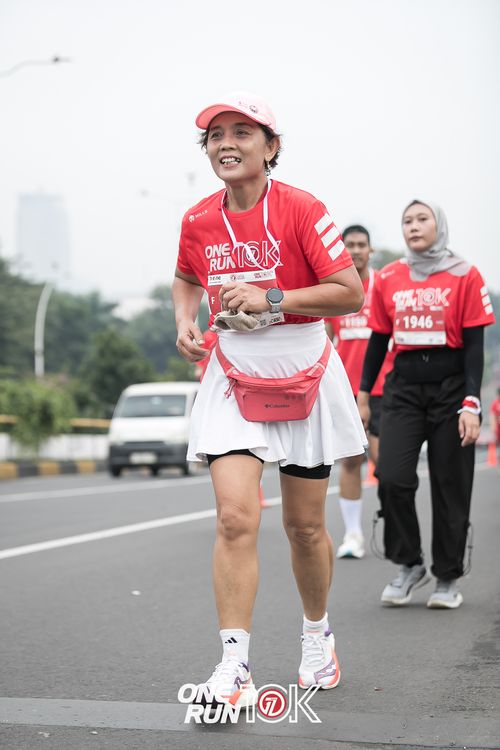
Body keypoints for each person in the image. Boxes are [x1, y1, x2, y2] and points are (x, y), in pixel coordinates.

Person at [172, 91, 367, 707]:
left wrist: (272, 297)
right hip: (233, 371)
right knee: (235, 517)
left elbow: (350, 293)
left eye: (241, 132)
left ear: (271, 146)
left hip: (303, 367)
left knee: (304, 527)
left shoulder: (303, 208)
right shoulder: (198, 220)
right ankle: (234, 667)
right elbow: (185, 276)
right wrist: (184, 320)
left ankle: (317, 636)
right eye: (215, 136)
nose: (226, 144)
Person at [357, 200, 496, 609]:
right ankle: (409, 564)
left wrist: (472, 402)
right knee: (392, 476)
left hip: (451, 388)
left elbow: (475, 348)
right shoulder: (389, 277)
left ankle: (447, 576)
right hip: (403, 387)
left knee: (450, 483)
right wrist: (363, 395)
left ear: (439, 225)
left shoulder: (465, 274)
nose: (413, 226)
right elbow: (378, 340)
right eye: (407, 221)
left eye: (422, 219)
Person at [325, 225, 394, 559]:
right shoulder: (335, 290)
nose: (354, 250)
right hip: (347, 390)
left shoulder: (382, 285)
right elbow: (325, 339)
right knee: (351, 460)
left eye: (360, 245)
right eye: (349, 244)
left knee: (386, 463)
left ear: (370, 250)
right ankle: (353, 535)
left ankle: (395, 524)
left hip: (385, 389)